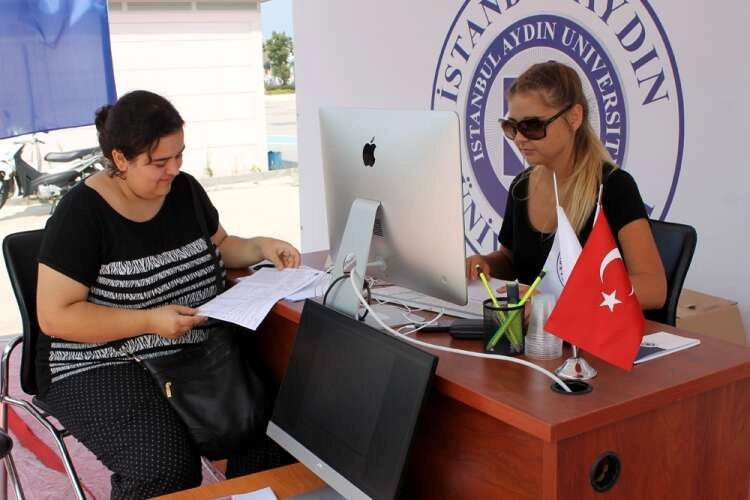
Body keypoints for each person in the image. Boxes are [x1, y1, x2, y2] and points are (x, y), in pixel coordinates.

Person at [35, 90, 301, 499]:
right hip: (100, 359)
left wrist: (261, 246)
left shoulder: (184, 190)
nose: (173, 170)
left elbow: (220, 245)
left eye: (179, 156)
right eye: (159, 163)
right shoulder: (81, 213)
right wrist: (148, 320)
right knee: (163, 466)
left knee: (272, 430)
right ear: (121, 159)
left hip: (191, 348)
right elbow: (56, 316)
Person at [467, 60, 666, 310]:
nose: (519, 138)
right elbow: (512, 261)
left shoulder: (614, 187)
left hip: (588, 332)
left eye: (532, 126)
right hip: (536, 332)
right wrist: (486, 264)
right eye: (512, 127)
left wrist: (561, 300)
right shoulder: (522, 187)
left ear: (573, 118)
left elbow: (654, 288)